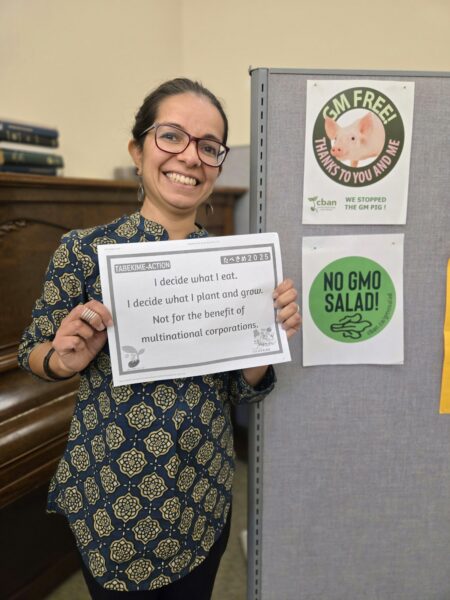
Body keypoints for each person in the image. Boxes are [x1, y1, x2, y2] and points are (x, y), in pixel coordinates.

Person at [18, 78, 301, 599]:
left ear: (217, 166)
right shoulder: (83, 251)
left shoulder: (234, 268)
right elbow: (30, 350)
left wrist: (267, 339)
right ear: (138, 150)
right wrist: (61, 359)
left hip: (205, 492)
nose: (190, 157)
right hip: (115, 500)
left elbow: (239, 390)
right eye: (171, 136)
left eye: (209, 147)